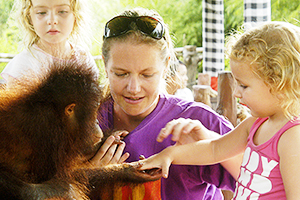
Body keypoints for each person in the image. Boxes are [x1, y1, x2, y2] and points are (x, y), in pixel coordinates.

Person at [140, 21, 300, 199]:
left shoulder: (293, 136)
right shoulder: (255, 124)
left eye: (244, 86)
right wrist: (169, 154)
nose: (236, 93)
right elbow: (215, 149)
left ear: (279, 83)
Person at [98, 7, 242, 200]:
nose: (133, 87)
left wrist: (212, 146)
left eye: (147, 75)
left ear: (166, 65)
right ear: (105, 65)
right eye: (121, 74)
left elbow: (265, 181)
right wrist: (89, 175)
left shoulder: (198, 120)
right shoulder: (85, 120)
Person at [1, 0, 98, 83]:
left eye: (62, 11)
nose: (52, 20)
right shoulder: (23, 65)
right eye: (41, 12)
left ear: (75, 15)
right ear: (29, 17)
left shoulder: (83, 58)